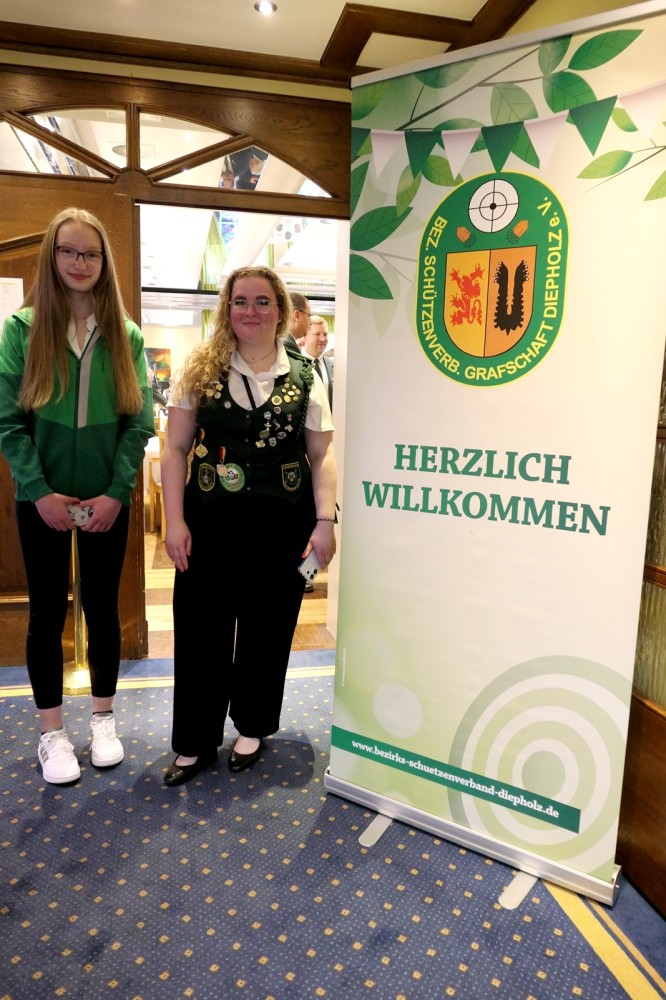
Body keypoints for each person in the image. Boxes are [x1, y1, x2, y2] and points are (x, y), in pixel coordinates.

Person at [161, 265, 337, 786]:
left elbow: (322, 455)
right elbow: (174, 450)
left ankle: (253, 726)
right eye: (240, 301)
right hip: (209, 524)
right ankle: (195, 739)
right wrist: (174, 521)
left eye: (263, 301)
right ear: (227, 308)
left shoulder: (305, 374)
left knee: (268, 628)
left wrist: (324, 522)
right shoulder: (199, 367)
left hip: (284, 526)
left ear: (281, 311)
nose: (251, 311)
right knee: (200, 630)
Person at [0, 207, 155, 784]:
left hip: (106, 501)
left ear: (104, 262)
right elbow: (9, 422)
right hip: (41, 500)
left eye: (90, 253)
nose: (79, 262)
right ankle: (52, 733)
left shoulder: (125, 335)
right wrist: (39, 492)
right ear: (52, 256)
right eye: (68, 250)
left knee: (104, 611)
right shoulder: (22, 330)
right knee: (46, 613)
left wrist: (117, 493)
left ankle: (103, 721)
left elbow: (137, 423)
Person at [302, 315, 334, 407]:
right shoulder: (295, 365)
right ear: (305, 336)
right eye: (317, 334)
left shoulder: (332, 365)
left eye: (325, 334)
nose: (322, 339)